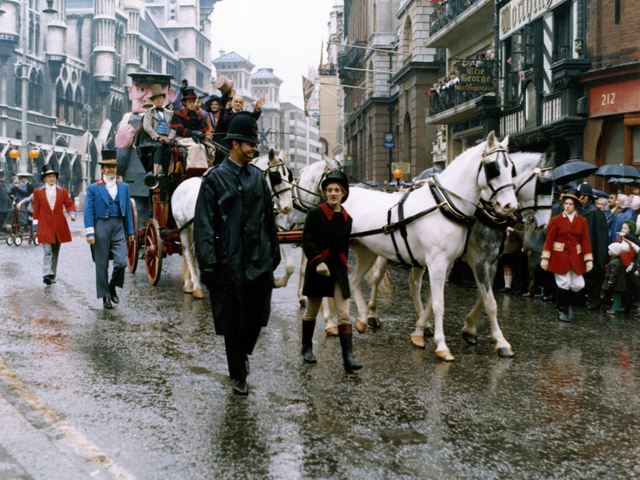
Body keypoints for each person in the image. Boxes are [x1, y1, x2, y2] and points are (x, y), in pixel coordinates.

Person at [194, 111, 280, 395]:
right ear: (234, 144)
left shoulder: (258, 178)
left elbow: (269, 219)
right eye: (250, 143)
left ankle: (244, 352)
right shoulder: (214, 180)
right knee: (232, 319)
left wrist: (274, 254)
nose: (255, 148)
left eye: (255, 144)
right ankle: (238, 374)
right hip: (227, 263)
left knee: (257, 316)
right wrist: (209, 264)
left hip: (258, 260)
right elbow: (205, 225)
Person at [300, 170, 363, 373]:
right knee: (311, 312)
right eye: (330, 190)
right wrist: (318, 261)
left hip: (338, 270)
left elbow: (344, 246)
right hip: (319, 270)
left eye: (337, 190)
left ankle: (348, 358)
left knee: (344, 315)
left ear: (343, 193)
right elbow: (307, 240)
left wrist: (345, 268)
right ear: (325, 193)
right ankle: (307, 348)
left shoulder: (347, 219)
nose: (333, 193)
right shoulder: (315, 214)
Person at [116, 72, 175, 222]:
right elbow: (117, 167)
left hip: (166, 181)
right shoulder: (127, 122)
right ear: (131, 92)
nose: (147, 96)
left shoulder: (171, 118)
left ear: (170, 95)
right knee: (138, 218)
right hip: (137, 182)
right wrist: (121, 147)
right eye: (142, 89)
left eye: (159, 92)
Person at [84, 150, 135, 309]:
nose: (111, 170)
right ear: (102, 169)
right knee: (101, 264)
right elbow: (88, 211)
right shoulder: (94, 188)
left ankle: (113, 285)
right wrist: (90, 232)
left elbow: (127, 210)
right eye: (107, 167)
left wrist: (131, 231)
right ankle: (105, 295)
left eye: (113, 167)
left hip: (118, 227)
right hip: (101, 228)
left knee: (121, 262)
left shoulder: (123, 187)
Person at [541, 189, 593, 322]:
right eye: (565, 203)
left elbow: (585, 241)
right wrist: (545, 258)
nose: (567, 206)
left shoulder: (582, 221)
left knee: (578, 285)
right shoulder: (556, 220)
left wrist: (588, 260)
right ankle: (560, 310)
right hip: (559, 257)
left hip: (575, 258)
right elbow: (549, 240)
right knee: (564, 283)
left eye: (570, 204)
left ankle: (566, 303)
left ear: (576, 205)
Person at [33, 164, 76, 285]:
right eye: (49, 176)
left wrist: (72, 214)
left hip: (58, 225)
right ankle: (47, 273)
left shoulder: (63, 191)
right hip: (44, 225)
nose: (52, 179)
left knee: (55, 251)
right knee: (48, 251)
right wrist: (35, 228)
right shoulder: (38, 192)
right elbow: (36, 211)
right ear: (44, 179)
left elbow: (69, 204)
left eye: (53, 176)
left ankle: (52, 275)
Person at [577, 183, 609, 310]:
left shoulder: (595, 212)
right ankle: (579, 299)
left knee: (592, 278)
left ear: (585, 197)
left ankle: (594, 301)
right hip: (580, 250)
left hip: (592, 251)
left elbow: (602, 236)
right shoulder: (580, 211)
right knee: (580, 276)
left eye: (581, 196)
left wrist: (601, 257)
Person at [170, 87, 213, 169]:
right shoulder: (178, 114)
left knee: (204, 147)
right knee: (195, 147)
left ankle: (203, 170)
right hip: (181, 138)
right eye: (190, 102)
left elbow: (202, 130)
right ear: (184, 103)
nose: (192, 104)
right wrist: (193, 133)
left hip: (194, 139)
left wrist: (199, 135)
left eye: (193, 101)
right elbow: (179, 130)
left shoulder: (198, 115)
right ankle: (191, 170)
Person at [138, 84, 176, 175]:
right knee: (160, 146)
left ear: (163, 99)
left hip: (168, 137)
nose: (159, 100)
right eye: (156, 99)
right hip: (155, 138)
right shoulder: (149, 112)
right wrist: (158, 138)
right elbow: (147, 127)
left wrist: (170, 138)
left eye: (160, 98)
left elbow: (174, 127)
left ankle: (171, 172)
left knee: (176, 149)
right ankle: (158, 172)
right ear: (153, 101)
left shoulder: (170, 113)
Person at [603, 242, 629, 316]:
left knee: (616, 296)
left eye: (610, 250)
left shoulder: (615, 262)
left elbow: (613, 273)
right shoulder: (617, 261)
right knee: (615, 296)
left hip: (616, 284)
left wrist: (611, 281)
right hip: (618, 284)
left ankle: (616, 309)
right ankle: (615, 308)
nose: (608, 251)